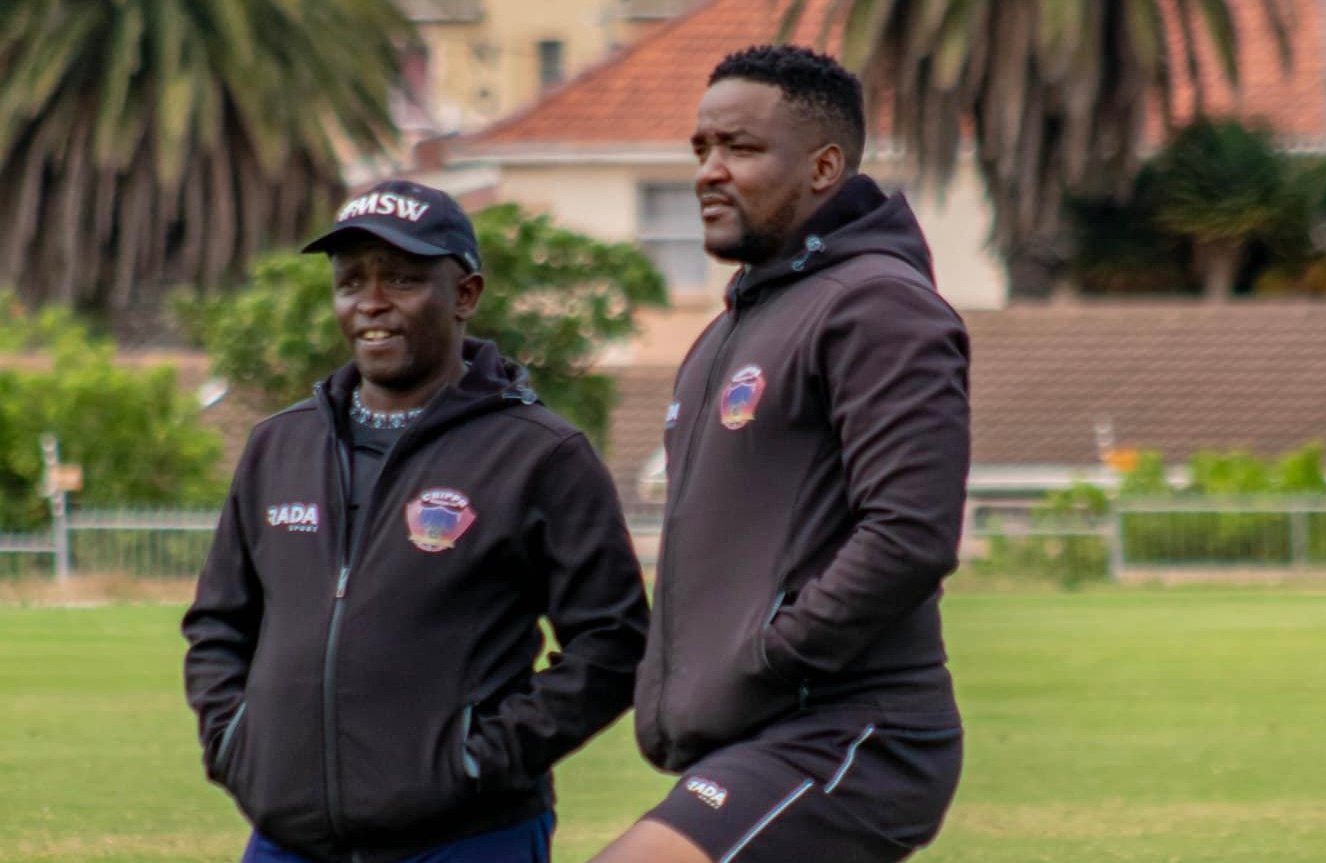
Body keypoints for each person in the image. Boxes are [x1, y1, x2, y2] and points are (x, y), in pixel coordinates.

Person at [182, 179, 650, 863]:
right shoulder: (279, 445)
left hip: (466, 838)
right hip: (287, 841)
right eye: (350, 282)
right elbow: (219, 623)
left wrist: (477, 759)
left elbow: (612, 642)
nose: (371, 302)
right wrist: (235, 742)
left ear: (465, 294)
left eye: (402, 279)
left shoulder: (540, 454)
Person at [592, 45, 971, 863]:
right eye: (701, 149)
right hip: (750, 733)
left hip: (851, 732)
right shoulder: (728, 332)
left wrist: (770, 655)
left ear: (825, 166)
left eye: (740, 148)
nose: (708, 172)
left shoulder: (878, 306)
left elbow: (910, 533)